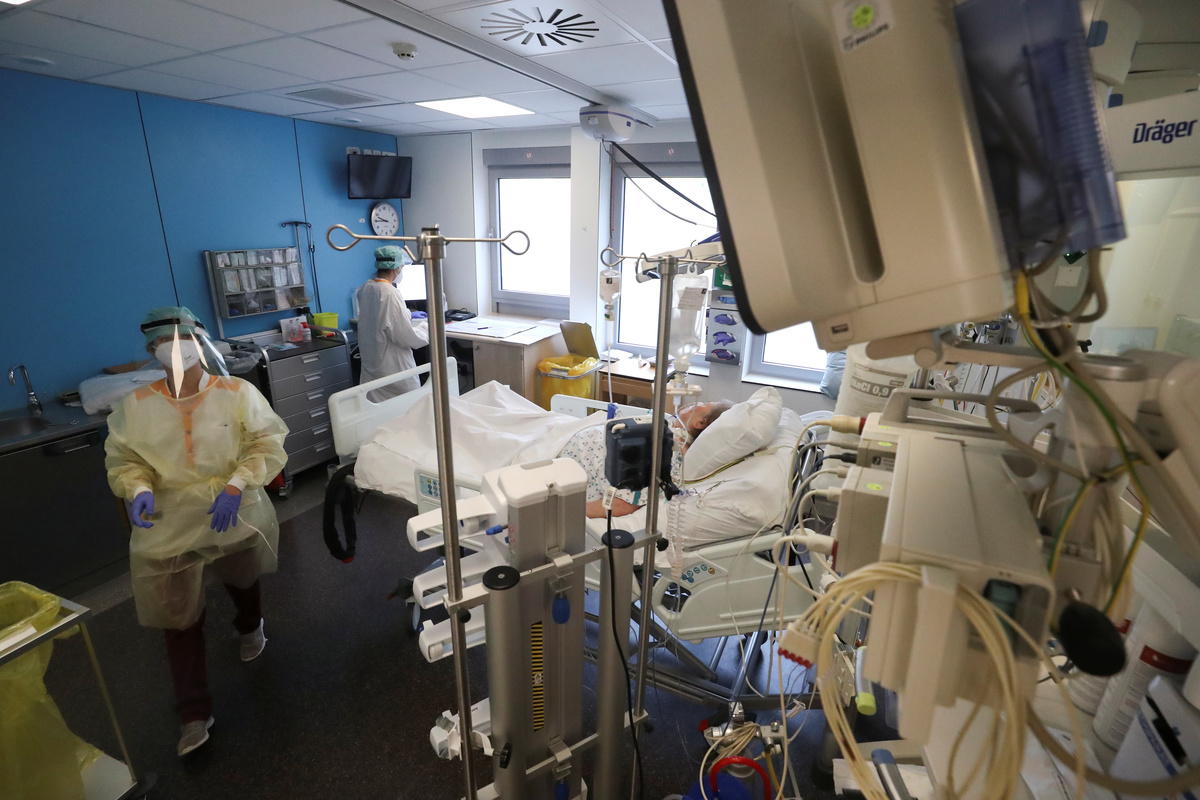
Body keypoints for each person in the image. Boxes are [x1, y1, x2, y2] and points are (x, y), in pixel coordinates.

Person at [104, 307, 288, 756]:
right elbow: (126, 458)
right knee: (178, 618)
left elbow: (265, 441)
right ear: (151, 348)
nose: (174, 349)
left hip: (230, 507)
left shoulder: (236, 393)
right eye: (164, 342)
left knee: (242, 578)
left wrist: (236, 485)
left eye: (183, 340)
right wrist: (139, 489)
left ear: (199, 344)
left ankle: (250, 626)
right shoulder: (137, 406)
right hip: (169, 520)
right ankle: (193, 713)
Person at [558, 400, 733, 518]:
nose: (695, 403)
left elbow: (624, 505)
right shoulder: (666, 433)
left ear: (700, 423)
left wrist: (566, 512)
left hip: (562, 469)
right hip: (564, 443)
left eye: (703, 404)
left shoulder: (670, 453)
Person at [357, 245, 429, 401]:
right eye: (402, 267)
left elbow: (380, 316)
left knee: (380, 411)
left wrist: (408, 314)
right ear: (396, 268)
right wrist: (428, 328)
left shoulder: (366, 288)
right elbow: (406, 337)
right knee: (407, 408)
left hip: (373, 368)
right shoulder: (390, 293)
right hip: (393, 370)